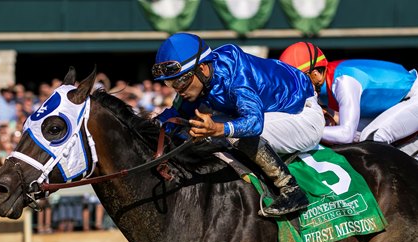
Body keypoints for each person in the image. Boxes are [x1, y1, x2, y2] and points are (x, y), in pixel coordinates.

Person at [152, 33, 325, 216]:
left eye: (180, 80)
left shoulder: (236, 75)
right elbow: (172, 116)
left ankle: (291, 190)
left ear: (202, 69)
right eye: (170, 82)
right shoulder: (198, 80)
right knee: (199, 126)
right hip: (277, 115)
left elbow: (254, 124)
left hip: (304, 116)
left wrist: (219, 129)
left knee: (228, 129)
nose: (177, 89)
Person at [279, 42, 418, 145]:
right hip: (395, 103)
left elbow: (346, 135)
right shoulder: (323, 85)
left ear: (315, 74)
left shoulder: (344, 82)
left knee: (372, 138)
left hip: (413, 97)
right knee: (357, 138)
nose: (296, 89)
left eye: (298, 82)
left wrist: (299, 130)